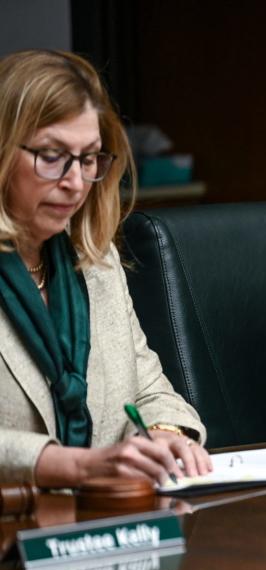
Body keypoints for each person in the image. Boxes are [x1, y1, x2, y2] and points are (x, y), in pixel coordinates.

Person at [0, 50, 212, 487]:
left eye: (90, 157)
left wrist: (164, 434)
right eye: (52, 155)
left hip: (104, 524)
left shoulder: (96, 260)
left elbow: (151, 391)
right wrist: (73, 466)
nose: (76, 182)